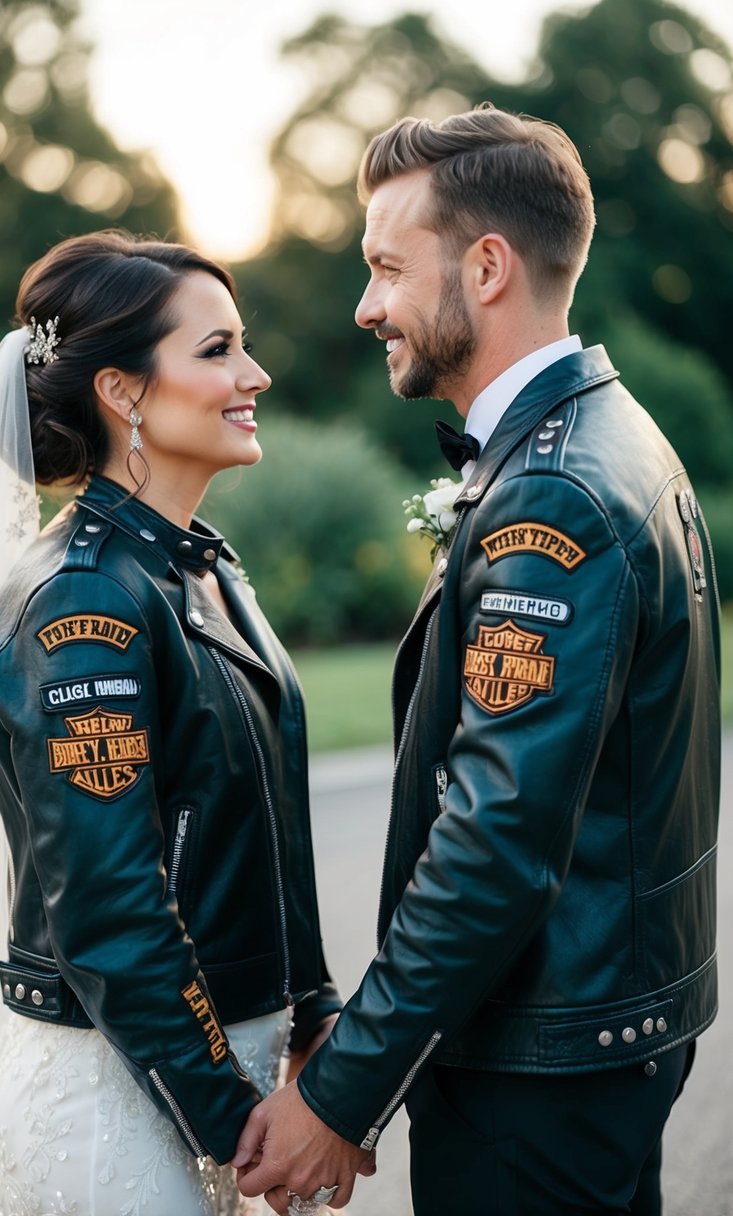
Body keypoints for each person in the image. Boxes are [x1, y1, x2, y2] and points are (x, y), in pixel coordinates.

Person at [233, 105, 722, 1215]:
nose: (367, 307)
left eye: (387, 268)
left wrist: (341, 1093)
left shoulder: (550, 493)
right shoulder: (612, 433)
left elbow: (495, 842)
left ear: (487, 266)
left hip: (539, 1068)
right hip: (595, 1032)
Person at [0, 230, 343, 1216]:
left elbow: (270, 816)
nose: (253, 372)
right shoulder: (81, 606)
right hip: (117, 1096)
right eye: (215, 350)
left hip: (223, 1066)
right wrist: (231, 1118)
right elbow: (111, 907)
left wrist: (311, 1010)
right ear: (123, 393)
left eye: (242, 343)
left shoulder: (203, 567)